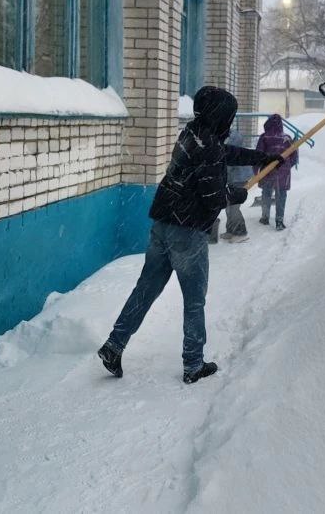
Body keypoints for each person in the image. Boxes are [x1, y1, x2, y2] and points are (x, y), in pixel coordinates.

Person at [97, 86, 285, 384]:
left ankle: (114, 345)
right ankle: (193, 364)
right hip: (187, 232)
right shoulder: (208, 145)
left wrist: (261, 156)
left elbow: (224, 153)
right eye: (229, 116)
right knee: (194, 301)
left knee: (145, 290)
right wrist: (235, 193)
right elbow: (212, 196)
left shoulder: (192, 134)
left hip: (163, 224)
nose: (230, 122)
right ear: (218, 116)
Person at [256, 114, 298, 231]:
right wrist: (287, 167)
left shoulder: (264, 137)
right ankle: (279, 221)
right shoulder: (288, 138)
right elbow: (294, 156)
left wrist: (257, 172)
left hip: (267, 170)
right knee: (281, 196)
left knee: (266, 194)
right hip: (283, 173)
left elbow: (258, 155)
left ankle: (265, 217)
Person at [219, 127, 254, 243]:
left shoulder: (233, 143)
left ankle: (241, 232)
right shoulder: (229, 140)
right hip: (233, 179)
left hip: (239, 178)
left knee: (233, 207)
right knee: (229, 206)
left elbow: (229, 165)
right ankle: (231, 230)